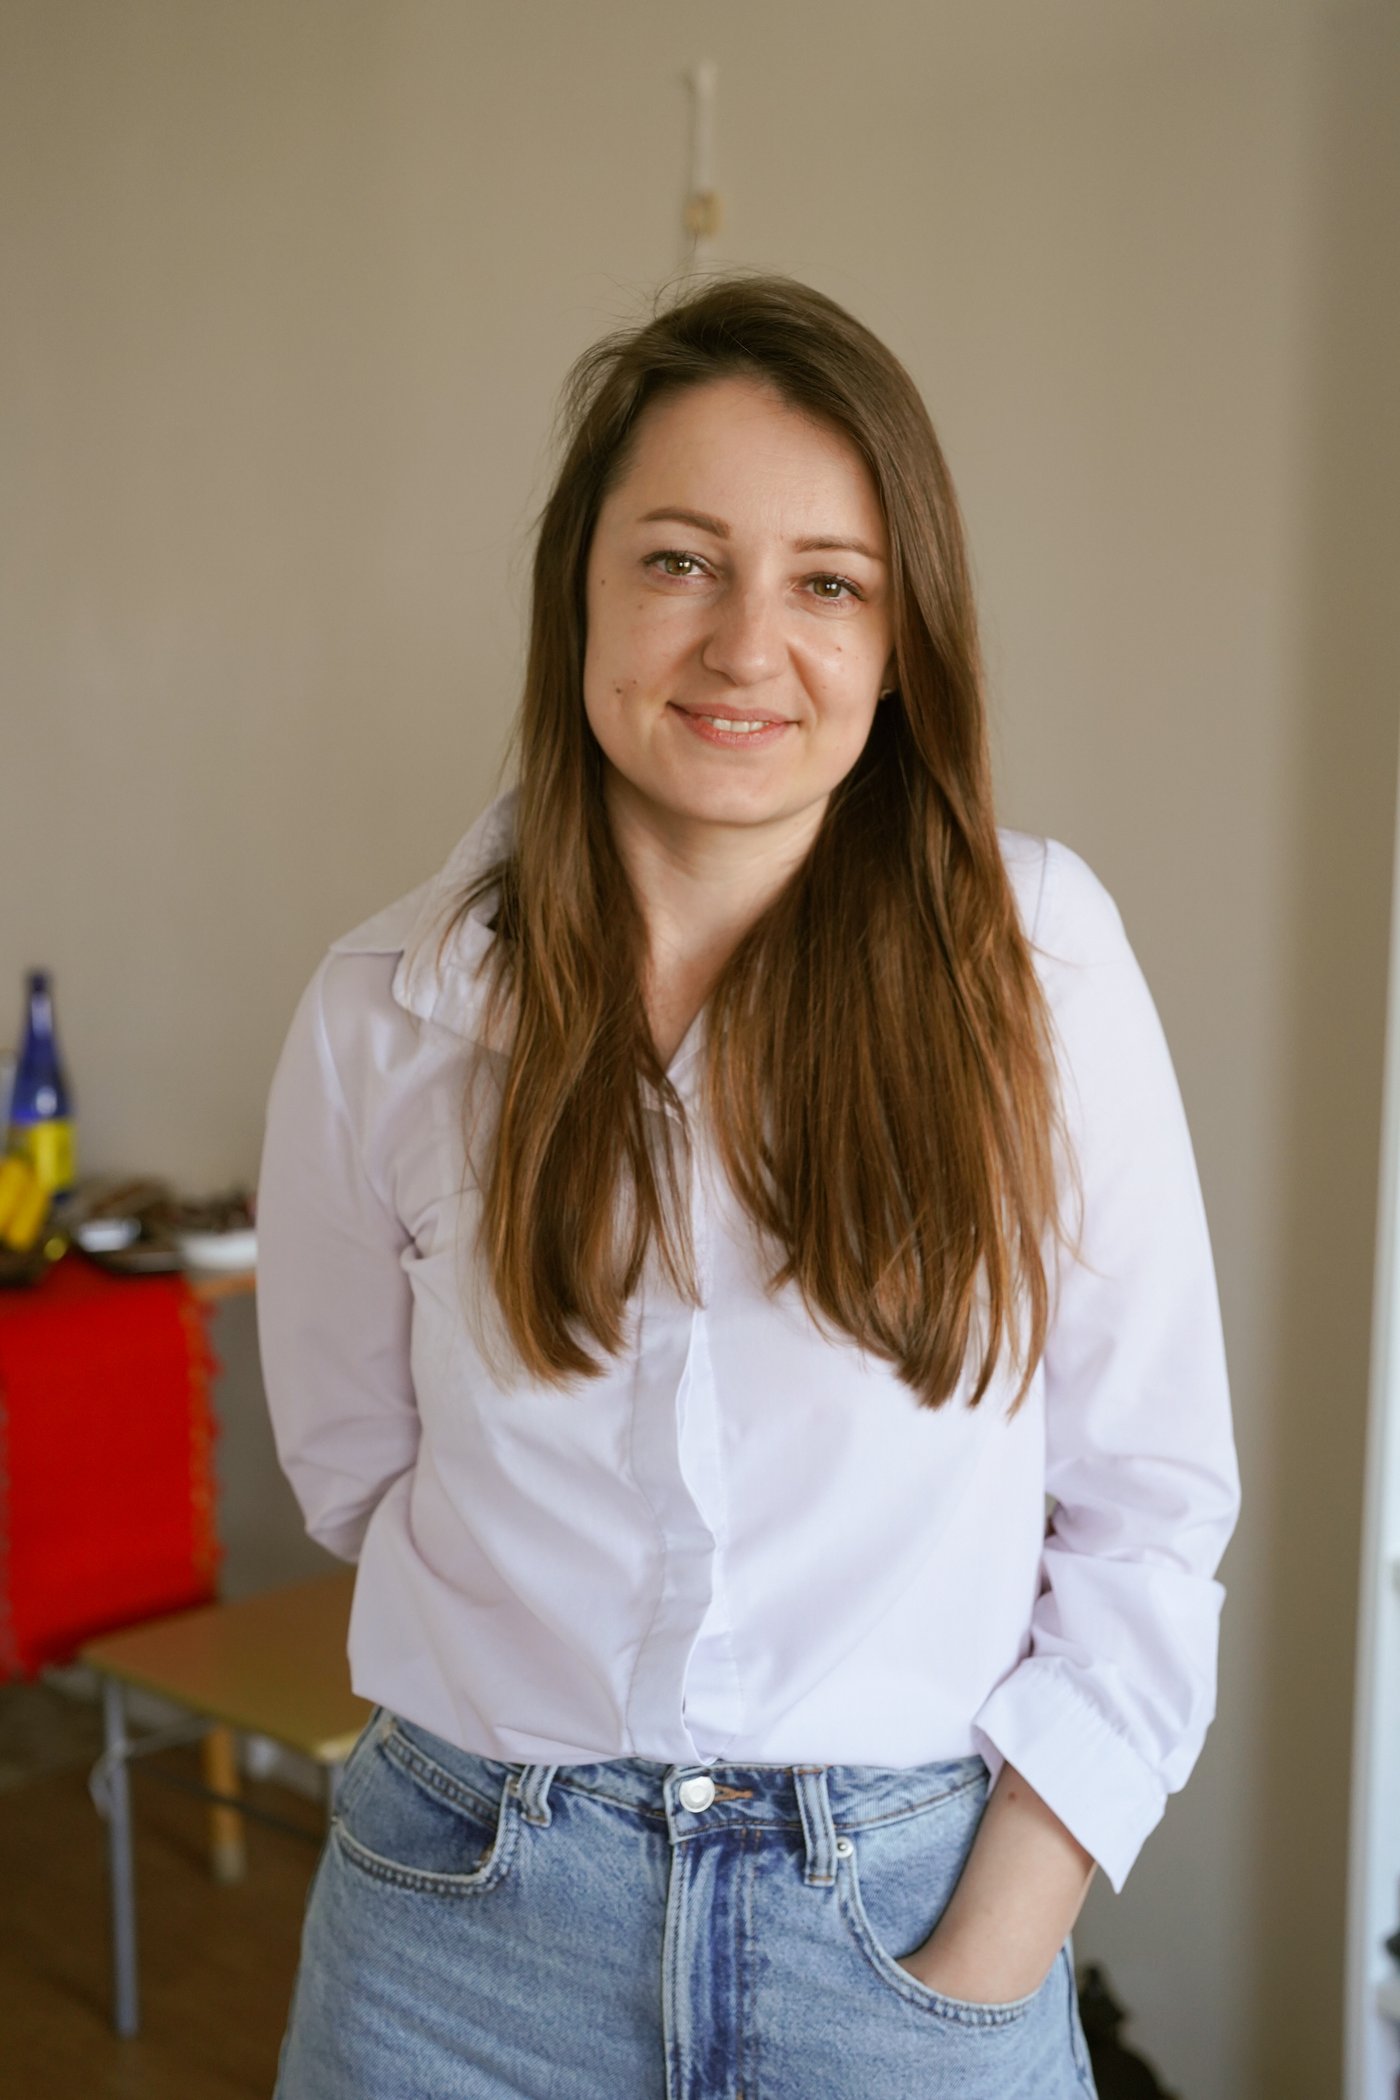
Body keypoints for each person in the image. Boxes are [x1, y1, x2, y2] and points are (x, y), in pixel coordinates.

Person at [256, 273, 1241, 2100]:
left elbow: (1149, 1509)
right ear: (578, 590)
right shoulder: (380, 1011)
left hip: (906, 1940)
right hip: (458, 1949)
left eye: (828, 583)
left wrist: (992, 1941)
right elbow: (358, 1470)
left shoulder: (1036, 961)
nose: (744, 646)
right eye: (680, 562)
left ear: (901, 638)